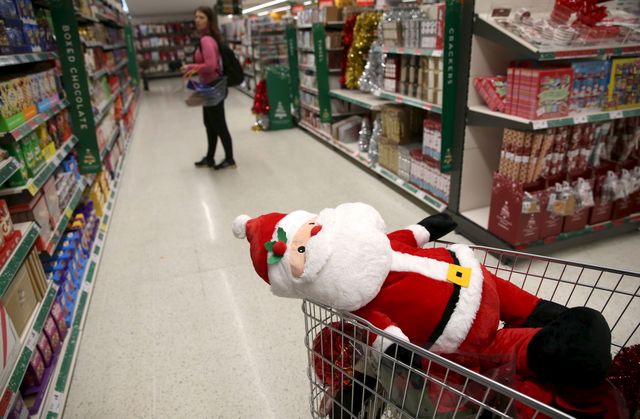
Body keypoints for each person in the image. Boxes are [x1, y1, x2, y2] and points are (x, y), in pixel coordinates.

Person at [182, 6, 236, 170]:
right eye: (196, 17)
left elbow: (211, 66)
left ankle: (230, 159)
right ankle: (210, 157)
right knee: (209, 123)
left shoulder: (206, 40)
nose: (197, 20)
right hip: (207, 86)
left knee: (219, 124)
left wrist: (190, 67)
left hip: (213, 86)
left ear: (209, 20)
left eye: (201, 17)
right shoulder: (207, 38)